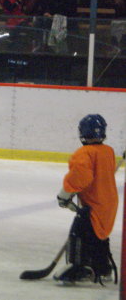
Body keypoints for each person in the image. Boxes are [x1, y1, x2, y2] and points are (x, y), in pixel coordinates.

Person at [54, 114, 118, 284]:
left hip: (93, 204)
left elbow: (80, 177)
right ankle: (102, 267)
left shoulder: (85, 153)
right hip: (108, 203)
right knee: (99, 235)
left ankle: (81, 268)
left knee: (79, 233)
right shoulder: (108, 151)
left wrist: (65, 194)